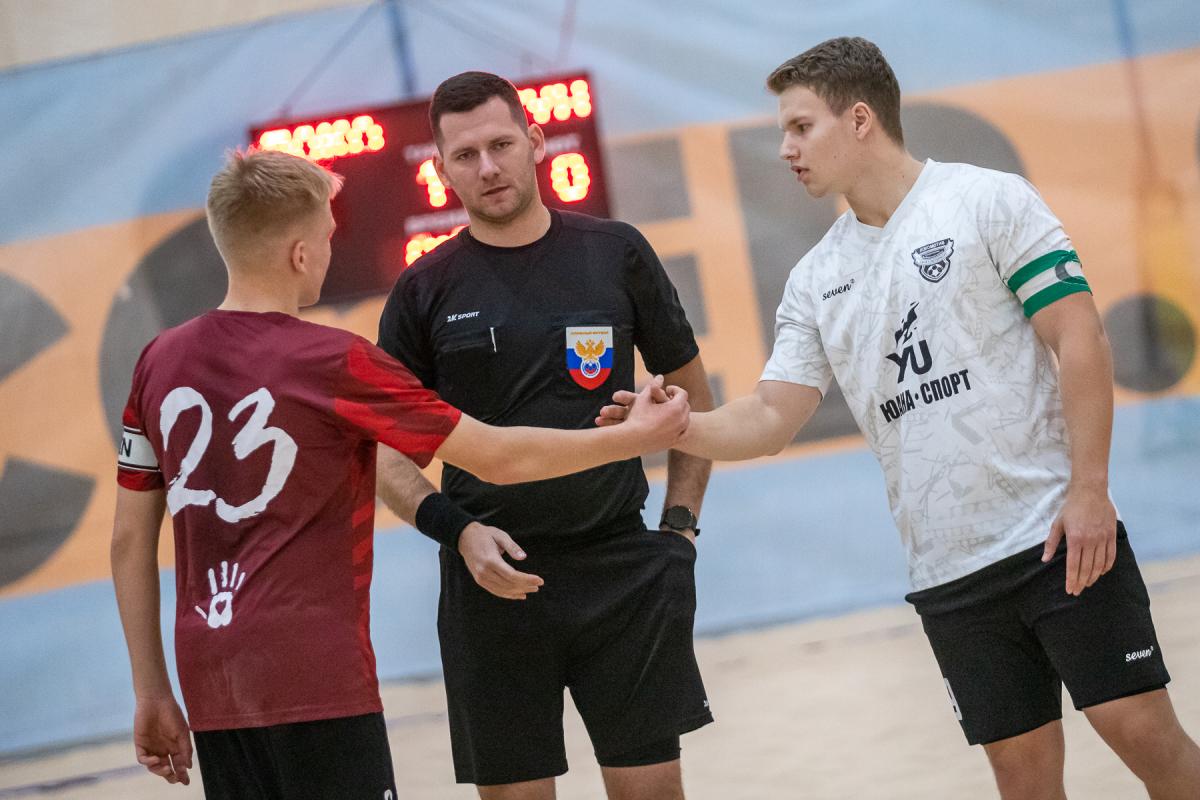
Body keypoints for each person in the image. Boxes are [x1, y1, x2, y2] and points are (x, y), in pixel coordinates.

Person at [600, 36, 1200, 800]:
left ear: (859, 120)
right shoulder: (815, 279)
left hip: (1056, 537)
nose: (785, 149)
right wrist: (679, 427)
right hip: (949, 575)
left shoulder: (986, 200)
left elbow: (1079, 337)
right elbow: (771, 417)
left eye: (800, 127)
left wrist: (1089, 491)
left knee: (1145, 737)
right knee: (1023, 782)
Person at [110, 148, 688, 798]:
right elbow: (497, 456)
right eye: (327, 236)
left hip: (211, 676)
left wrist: (150, 690)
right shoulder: (334, 360)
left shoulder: (157, 362)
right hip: (316, 670)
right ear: (300, 254)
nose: (329, 251)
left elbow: (130, 542)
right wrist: (634, 438)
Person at [374, 71, 715, 800]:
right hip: (490, 581)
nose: (487, 167)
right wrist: (458, 532)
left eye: (501, 145)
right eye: (465, 155)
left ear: (535, 141)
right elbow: (385, 455)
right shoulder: (423, 291)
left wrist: (680, 527)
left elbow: (695, 397)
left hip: (622, 571)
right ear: (441, 169)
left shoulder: (616, 251)